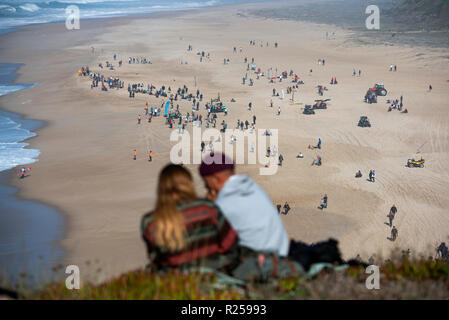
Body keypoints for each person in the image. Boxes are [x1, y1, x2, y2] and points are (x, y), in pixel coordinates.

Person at [141, 164, 239, 272]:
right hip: (215, 276)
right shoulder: (207, 208)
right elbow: (230, 243)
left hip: (177, 282)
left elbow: (155, 258)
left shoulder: (150, 222)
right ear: (189, 184)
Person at [199, 152, 289, 257]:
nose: (206, 187)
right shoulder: (253, 187)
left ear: (216, 178)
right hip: (281, 251)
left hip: (258, 261)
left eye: (206, 182)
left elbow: (210, 237)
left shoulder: (225, 202)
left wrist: (211, 205)